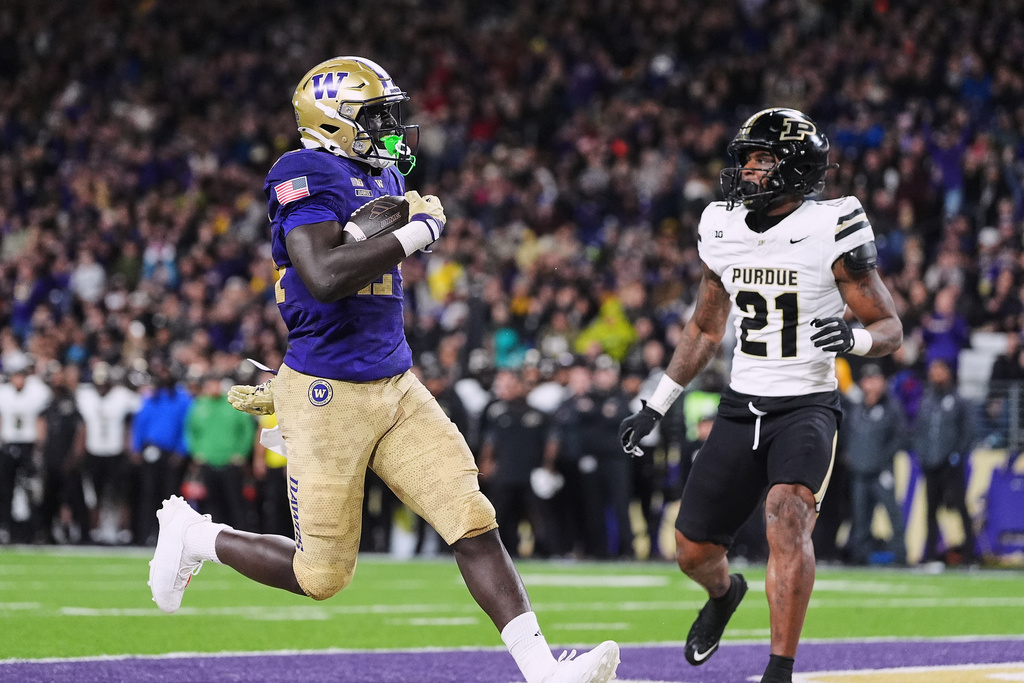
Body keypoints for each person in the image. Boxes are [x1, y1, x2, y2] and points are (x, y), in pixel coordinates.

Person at [147, 56, 619, 683]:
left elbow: (358, 245)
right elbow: (323, 275)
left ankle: (540, 669)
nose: (392, 127)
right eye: (375, 115)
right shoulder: (302, 169)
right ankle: (194, 535)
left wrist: (396, 223)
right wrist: (416, 232)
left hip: (396, 384)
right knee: (322, 576)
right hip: (327, 393)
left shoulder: (384, 170)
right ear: (333, 120)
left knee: (470, 517)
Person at [619, 108, 903, 683]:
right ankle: (725, 595)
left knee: (786, 515)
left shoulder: (832, 225)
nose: (748, 171)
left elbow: (891, 327)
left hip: (806, 405)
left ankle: (779, 669)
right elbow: (703, 329)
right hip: (741, 402)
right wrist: (656, 403)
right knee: (691, 552)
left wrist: (856, 336)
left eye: (763, 160)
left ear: (795, 167)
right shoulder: (721, 226)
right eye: (745, 160)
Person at [913, 358, 977, 564]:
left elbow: (968, 431)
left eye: (940, 370)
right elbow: (919, 432)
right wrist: (922, 454)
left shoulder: (958, 400)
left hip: (952, 465)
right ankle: (930, 554)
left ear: (948, 373)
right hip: (931, 464)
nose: (936, 375)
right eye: (933, 371)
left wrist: (956, 455)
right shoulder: (927, 401)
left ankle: (969, 554)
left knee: (960, 508)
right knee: (931, 510)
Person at [841, 363, 907, 565]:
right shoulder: (857, 408)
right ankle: (861, 555)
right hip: (859, 472)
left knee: (892, 514)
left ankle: (900, 555)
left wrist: (882, 458)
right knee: (861, 517)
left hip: (882, 472)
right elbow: (847, 435)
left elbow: (900, 437)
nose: (871, 384)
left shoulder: (891, 408)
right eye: (867, 379)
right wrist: (850, 456)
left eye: (875, 379)